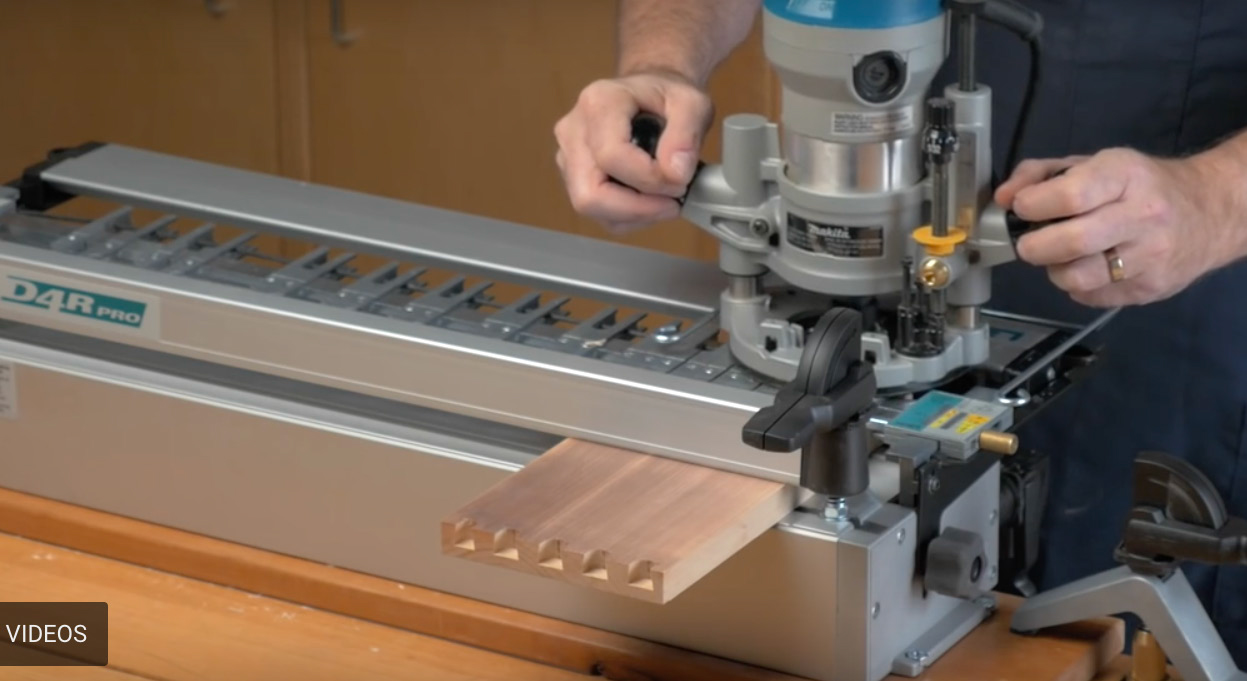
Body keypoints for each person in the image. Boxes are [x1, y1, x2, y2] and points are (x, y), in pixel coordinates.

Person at [554, 0, 1247, 664]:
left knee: (1135, 616)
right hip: (937, 222)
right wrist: (661, 66)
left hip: (1175, 263)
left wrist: (1212, 200)